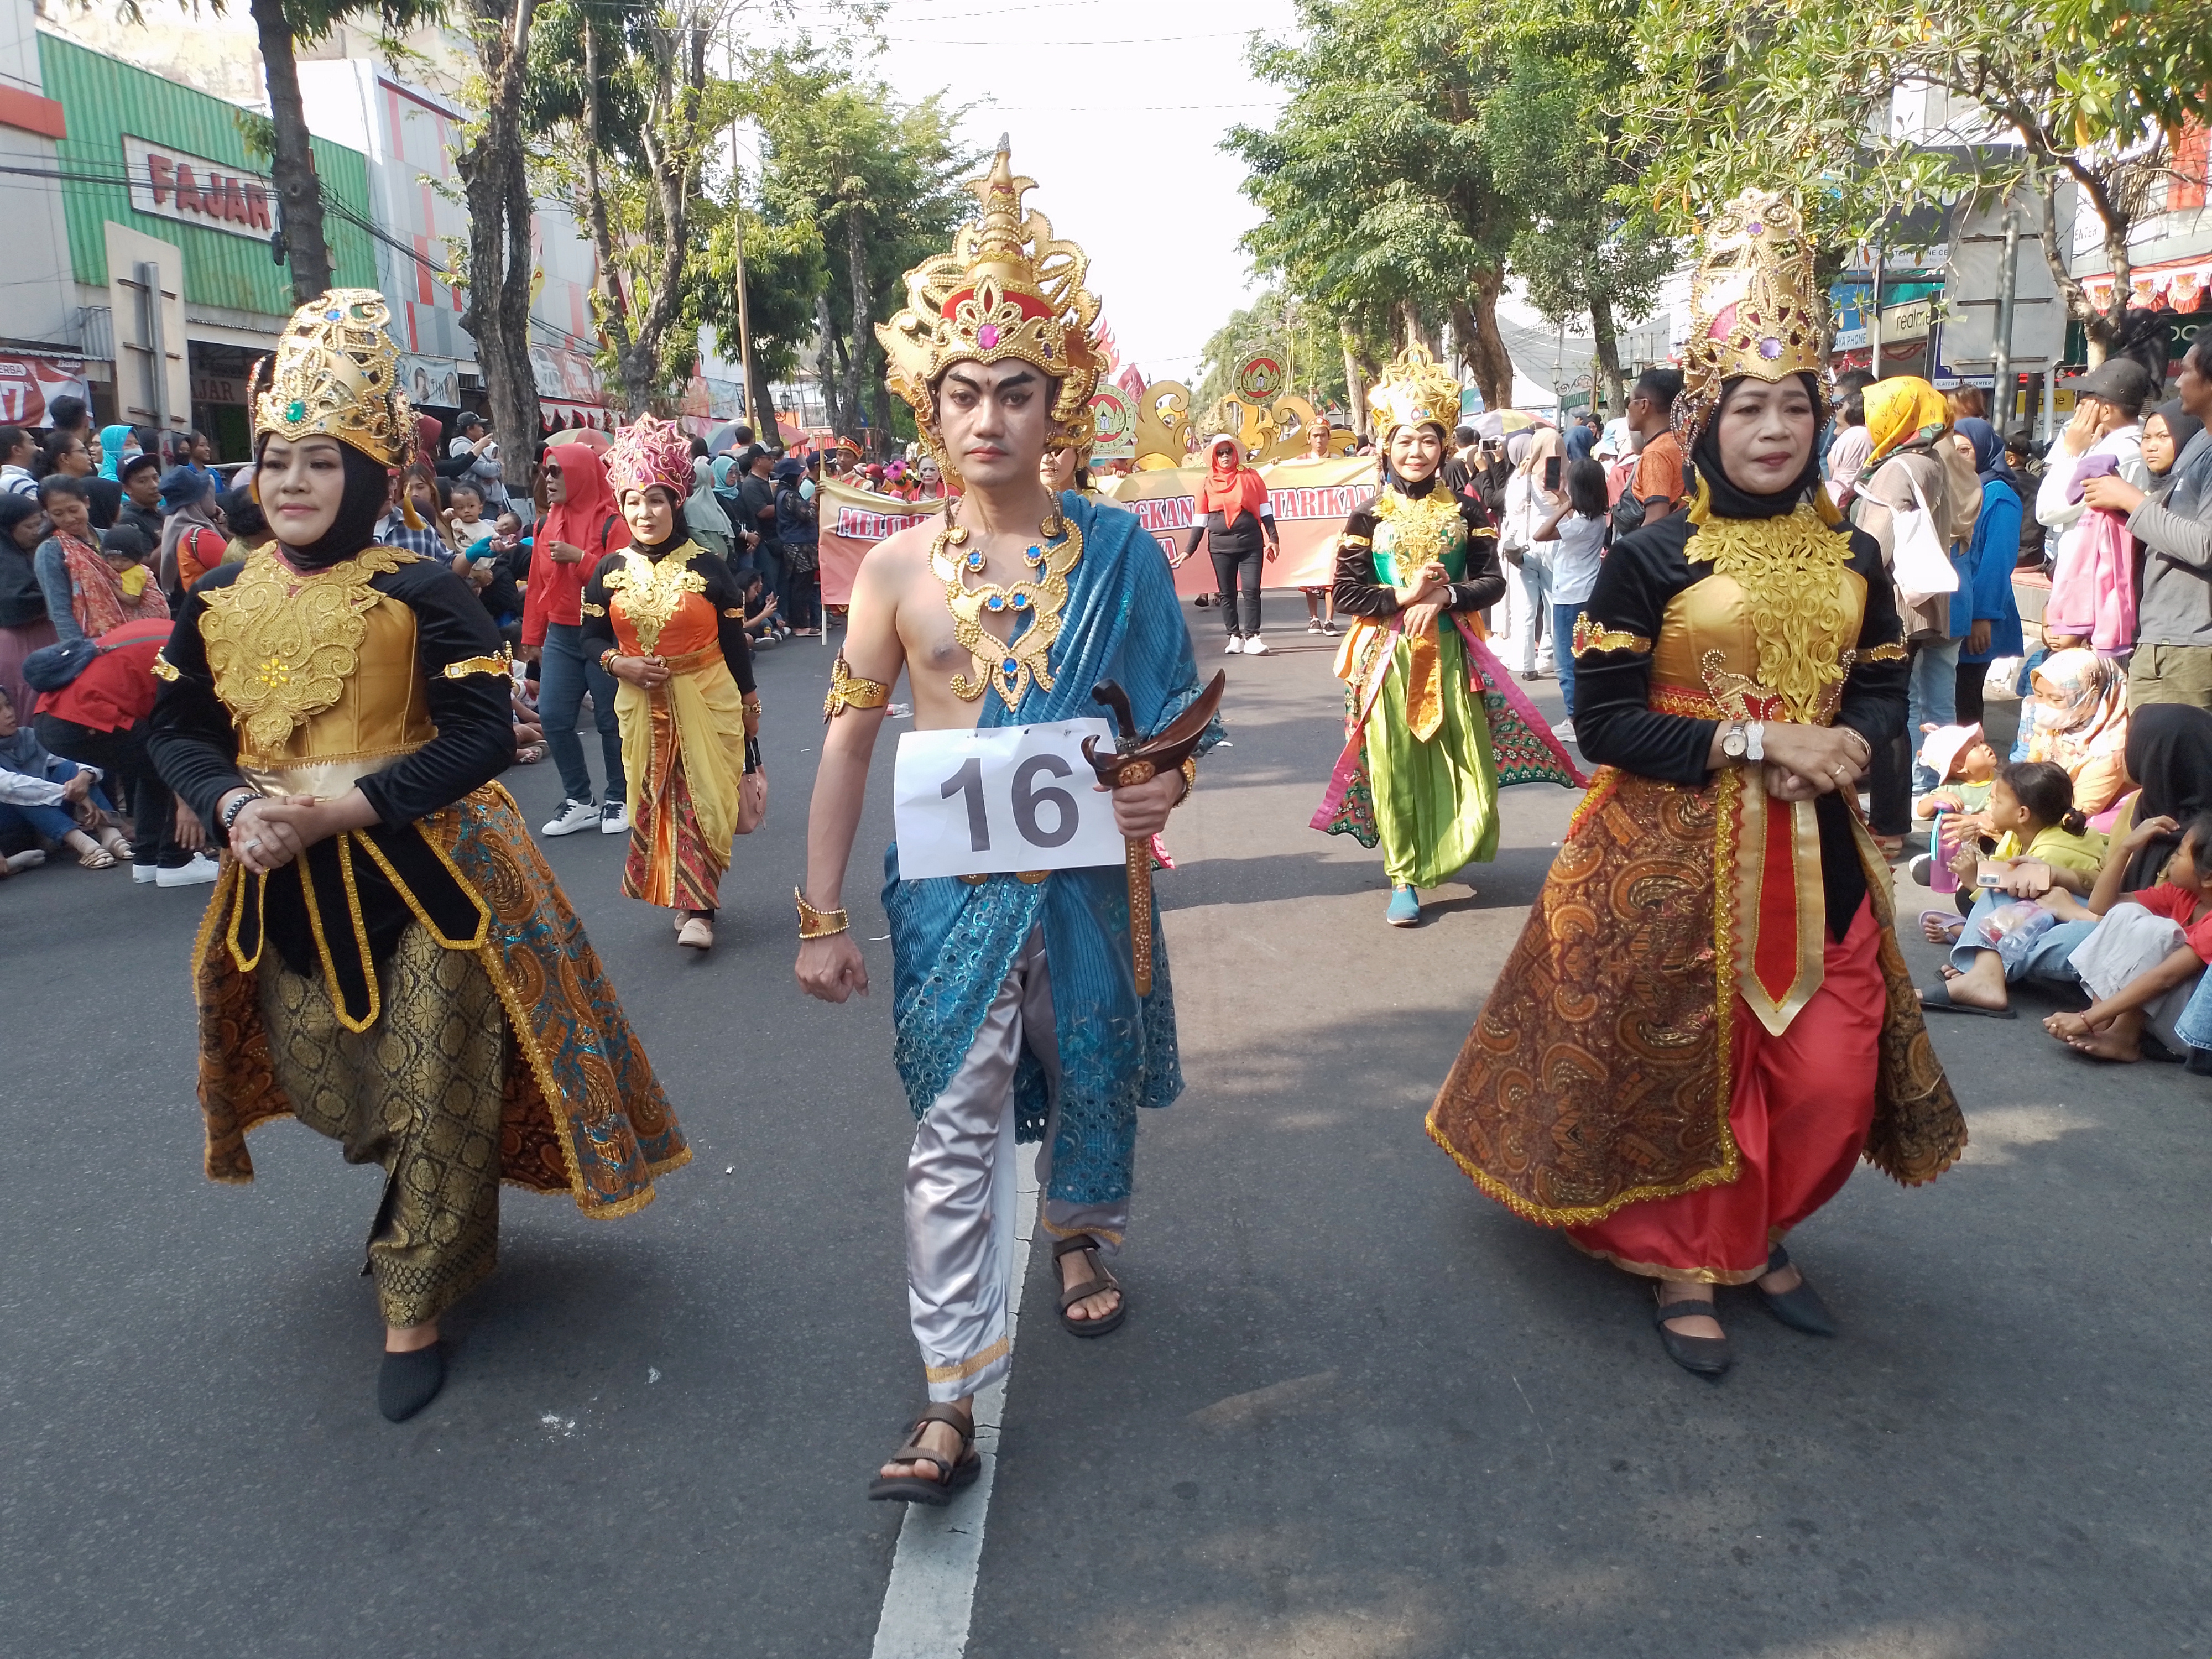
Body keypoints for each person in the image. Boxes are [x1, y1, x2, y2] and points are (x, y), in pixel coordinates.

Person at [1427, 191, 1963, 1378]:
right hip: (1666, 856)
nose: (1770, 429)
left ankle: (1761, 1226)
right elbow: (1607, 722)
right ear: (1705, 420)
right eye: (1745, 407)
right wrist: (1755, 744)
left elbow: (1878, 684)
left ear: (1817, 418)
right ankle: (1691, 1255)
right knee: (1686, 1067)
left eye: (1792, 406)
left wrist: (1852, 748)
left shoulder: (1854, 553)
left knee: (1827, 1073)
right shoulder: (1647, 555)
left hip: (1818, 859)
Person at [145, 289, 686, 1422]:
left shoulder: (419, 590)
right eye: (275, 460)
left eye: (320, 463)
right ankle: (426, 1202)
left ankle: (415, 1296)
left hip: (432, 880)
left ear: (370, 477)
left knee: (432, 1076)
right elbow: (176, 731)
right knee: (332, 1082)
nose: (290, 483)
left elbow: (485, 736)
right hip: (278, 882)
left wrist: (340, 811)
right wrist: (236, 801)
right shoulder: (211, 600)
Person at [796, 146, 1217, 1502]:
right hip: (948, 892)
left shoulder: (1122, 554)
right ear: (930, 408)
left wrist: (1165, 789)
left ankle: (1080, 1232)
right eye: (963, 391)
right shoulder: (897, 569)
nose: (989, 417)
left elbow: (1165, 723)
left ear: (1060, 404)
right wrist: (817, 913)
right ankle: (946, 1395)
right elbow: (851, 737)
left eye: (1016, 392)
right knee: (952, 1128)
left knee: (1087, 1064)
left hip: (1092, 882)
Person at [1312, 344, 1577, 926]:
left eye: (1427, 440)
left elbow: (1491, 583)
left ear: (1442, 446)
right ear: (1386, 446)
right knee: (1394, 764)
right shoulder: (1367, 516)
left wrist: (1445, 596)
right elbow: (1350, 595)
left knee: (1464, 761)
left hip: (1455, 656)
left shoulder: (1467, 509)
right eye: (1404, 441)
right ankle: (1403, 873)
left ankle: (1448, 845)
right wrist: (1405, 597)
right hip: (1385, 659)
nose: (1416, 451)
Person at [575, 416, 761, 952]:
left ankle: (700, 907)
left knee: (701, 797)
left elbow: (732, 646)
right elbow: (589, 637)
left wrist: (750, 703)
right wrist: (617, 664)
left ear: (676, 501)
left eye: (655, 500)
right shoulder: (607, 570)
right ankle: (685, 898)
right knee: (654, 799)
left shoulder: (709, 568)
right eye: (633, 501)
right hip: (639, 703)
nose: (644, 513)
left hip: (706, 698)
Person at [1849, 376, 1981, 839]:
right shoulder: (1928, 459)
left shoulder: (1898, 466)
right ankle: (1895, 817)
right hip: (1920, 605)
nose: (1873, 420)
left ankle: (1888, 822)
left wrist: (1843, 579)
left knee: (1888, 713)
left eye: (1880, 410)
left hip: (1895, 605)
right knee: (1900, 709)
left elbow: (1875, 544)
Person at [32, 613, 217, 885]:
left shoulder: (168, 630)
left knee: (151, 770)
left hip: (52, 716)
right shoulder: (192, 651)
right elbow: (181, 737)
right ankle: (176, 861)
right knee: (172, 759)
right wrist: (187, 804)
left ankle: (149, 858)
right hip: (81, 717)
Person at [1917, 761, 2109, 1015]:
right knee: (1991, 890)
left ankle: (1985, 969)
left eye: (1996, 801)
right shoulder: (2018, 834)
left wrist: (1975, 881)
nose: (1989, 806)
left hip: (2069, 921)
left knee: (1998, 894)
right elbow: (1998, 876)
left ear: (2022, 814)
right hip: (2055, 916)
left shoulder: (2056, 850)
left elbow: (2024, 910)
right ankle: (1985, 970)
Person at [2082, 340, 2212, 711]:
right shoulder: (2200, 442)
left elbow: (2205, 544)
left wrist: (2130, 500)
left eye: (2187, 371)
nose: (2179, 380)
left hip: (2190, 646)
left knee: (2173, 764)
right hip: (2163, 638)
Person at [2032, 811, 2212, 1061]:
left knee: (2159, 930)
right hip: (2159, 1010)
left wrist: (2084, 1019)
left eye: (2180, 853)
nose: (2171, 859)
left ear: (2209, 877)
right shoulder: (2184, 895)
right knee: (2128, 912)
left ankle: (2123, 1036)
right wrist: (2126, 848)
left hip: (2189, 1033)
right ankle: (2103, 1023)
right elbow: (2103, 906)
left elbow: (2165, 978)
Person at [521, 440, 631, 837]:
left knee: (609, 719)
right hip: (562, 635)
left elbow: (624, 582)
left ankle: (619, 796)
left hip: (603, 633)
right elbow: (537, 586)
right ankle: (580, 800)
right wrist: (532, 637)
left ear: (582, 475)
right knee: (552, 715)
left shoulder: (613, 523)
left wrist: (580, 559)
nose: (547, 479)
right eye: (545, 471)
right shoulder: (544, 523)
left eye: (557, 472)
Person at [2037, 356, 2150, 647]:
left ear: (2107, 409)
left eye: (2087, 399)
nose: (2079, 407)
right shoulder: (2115, 445)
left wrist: (2070, 451)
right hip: (2092, 586)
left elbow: (2047, 510)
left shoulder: (2117, 452)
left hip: (2094, 592)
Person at [0, 685, 131, 868]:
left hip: (51, 814)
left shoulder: (28, 736)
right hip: (14, 830)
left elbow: (77, 754)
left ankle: (110, 834)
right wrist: (72, 792)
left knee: (72, 769)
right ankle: (85, 845)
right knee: (20, 793)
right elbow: (9, 786)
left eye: (8, 705)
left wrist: (84, 778)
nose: (8, 714)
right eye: (0, 710)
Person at [1950, 418, 2026, 728]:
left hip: (1980, 614)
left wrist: (1982, 616)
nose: (1957, 458)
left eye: (1965, 450)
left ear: (1983, 450)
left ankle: (1971, 763)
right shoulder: (1961, 491)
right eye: (1951, 451)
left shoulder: (1998, 495)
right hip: (1958, 608)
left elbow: (1997, 561)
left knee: (1965, 695)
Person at [34, 476, 167, 644]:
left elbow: (138, 576)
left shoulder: (108, 537)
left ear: (87, 502)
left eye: (73, 510)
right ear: (48, 514)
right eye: (58, 514)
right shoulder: (51, 552)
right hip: (94, 643)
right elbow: (60, 611)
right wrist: (79, 652)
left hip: (136, 634)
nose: (68, 519)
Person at [1533, 455, 1610, 737]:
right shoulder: (1597, 519)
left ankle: (1574, 719)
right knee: (1586, 656)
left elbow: (1540, 535)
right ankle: (1587, 714)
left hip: (1569, 597)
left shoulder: (1578, 525)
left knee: (1567, 662)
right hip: (1588, 593)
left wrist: (1565, 503)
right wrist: (1564, 496)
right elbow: (1577, 518)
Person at [1181, 434, 1279, 654]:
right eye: (1220, 453)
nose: (1225, 456)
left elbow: (1265, 510)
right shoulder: (1206, 483)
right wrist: (1189, 549)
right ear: (1214, 457)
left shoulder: (1251, 477)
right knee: (1227, 592)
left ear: (1235, 454)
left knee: (1252, 590)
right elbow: (1200, 519)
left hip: (1251, 544)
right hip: (1220, 547)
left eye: (1228, 452)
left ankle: (1253, 636)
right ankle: (1234, 636)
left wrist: (1273, 538)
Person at [2021, 646, 2130, 818]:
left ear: (2091, 696)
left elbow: (2081, 812)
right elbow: (2027, 773)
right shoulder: (2057, 728)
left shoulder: (2110, 749)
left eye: (2056, 699)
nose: (2042, 706)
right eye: (2039, 695)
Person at [1498, 426, 1562, 677]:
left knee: (1524, 606)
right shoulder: (1554, 471)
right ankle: (1549, 654)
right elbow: (1560, 503)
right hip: (1551, 542)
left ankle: (1525, 664)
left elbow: (1511, 511)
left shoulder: (1518, 476)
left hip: (1521, 546)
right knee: (1551, 603)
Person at [0, 493, 55, 716]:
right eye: (29, 526)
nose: (37, 531)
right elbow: (16, 603)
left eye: (38, 524)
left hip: (45, 640)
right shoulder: (6, 563)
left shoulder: (29, 553)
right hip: (19, 646)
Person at [1621, 367, 1688, 530]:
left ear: (1643, 406)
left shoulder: (1656, 453)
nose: (1628, 409)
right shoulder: (1680, 441)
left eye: (1630, 401)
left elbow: (1656, 518)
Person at [158, 466, 228, 601]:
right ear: (198, 500)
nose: (214, 500)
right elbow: (240, 571)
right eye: (209, 495)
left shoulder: (179, 526)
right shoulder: (202, 537)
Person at [1298, 419, 1339, 636]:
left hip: (1333, 525)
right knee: (1312, 574)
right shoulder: (1300, 462)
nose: (1320, 440)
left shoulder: (1339, 463)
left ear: (1328, 437)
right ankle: (1314, 618)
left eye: (1323, 435)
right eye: (1315, 436)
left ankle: (1329, 620)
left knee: (1331, 574)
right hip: (1310, 523)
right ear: (1309, 439)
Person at [773, 456, 820, 634]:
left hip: (798, 543)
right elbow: (807, 515)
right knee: (801, 585)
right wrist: (814, 500)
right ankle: (800, 625)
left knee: (801, 585)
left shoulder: (783, 493)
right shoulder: (789, 496)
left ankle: (800, 622)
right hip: (798, 546)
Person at [685, 455, 736, 561]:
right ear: (704, 476)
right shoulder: (693, 504)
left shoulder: (710, 499)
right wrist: (714, 552)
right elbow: (695, 532)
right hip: (714, 559)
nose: (713, 477)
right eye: (711, 474)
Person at [3, 425, 41, 497]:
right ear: (17, 450)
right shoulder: (19, 483)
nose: (39, 449)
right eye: (32, 443)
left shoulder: (8, 479)